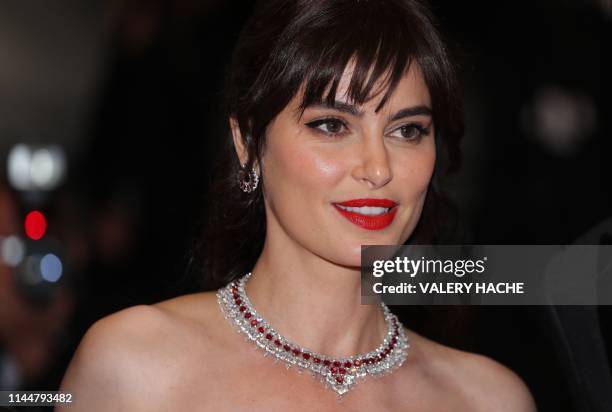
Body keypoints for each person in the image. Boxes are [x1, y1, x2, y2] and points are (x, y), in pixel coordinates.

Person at [58, 0, 537, 410]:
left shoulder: (488, 399)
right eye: (331, 125)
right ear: (248, 142)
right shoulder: (136, 366)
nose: (377, 167)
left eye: (407, 130)